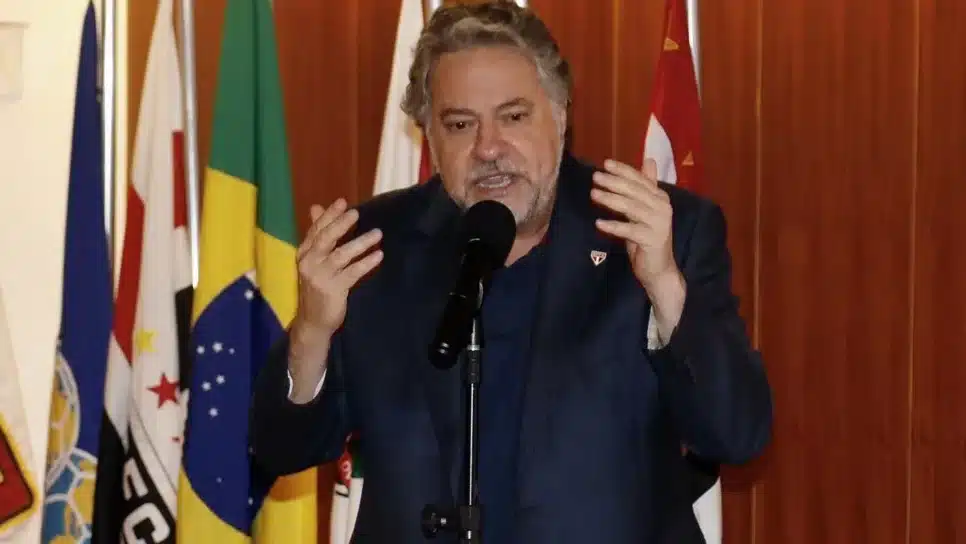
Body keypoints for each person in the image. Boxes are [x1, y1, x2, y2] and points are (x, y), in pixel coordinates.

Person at [249, 2, 772, 543]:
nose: (488, 148)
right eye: (460, 125)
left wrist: (664, 285)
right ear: (428, 137)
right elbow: (279, 449)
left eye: (514, 116)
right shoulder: (373, 247)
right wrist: (312, 331)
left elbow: (736, 433)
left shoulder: (656, 232)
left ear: (560, 116)